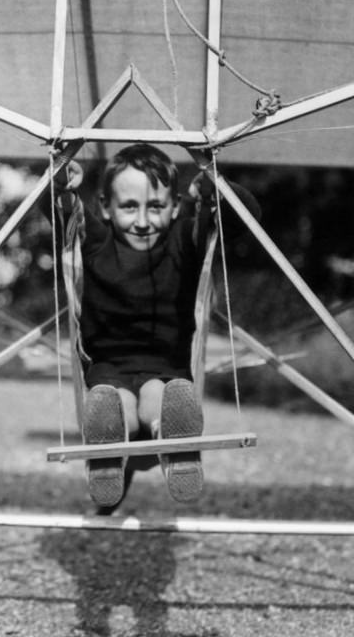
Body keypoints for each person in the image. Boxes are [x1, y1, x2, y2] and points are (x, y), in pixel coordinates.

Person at [46, 144, 259, 511]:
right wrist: (60, 181)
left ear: (175, 206)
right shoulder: (96, 241)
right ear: (105, 207)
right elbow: (56, 207)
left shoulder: (183, 240)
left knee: (160, 396)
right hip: (107, 372)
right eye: (129, 206)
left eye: (155, 207)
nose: (142, 220)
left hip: (169, 371)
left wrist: (213, 185)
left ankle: (175, 442)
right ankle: (111, 450)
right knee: (117, 404)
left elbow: (246, 215)